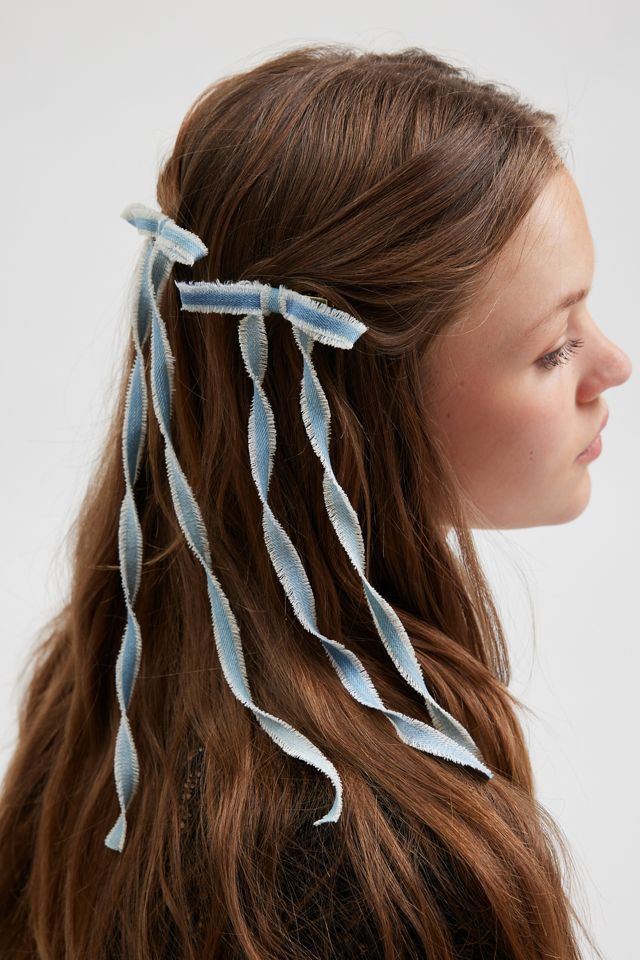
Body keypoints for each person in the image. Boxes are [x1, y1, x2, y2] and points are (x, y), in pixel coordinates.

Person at [0, 43, 631, 959]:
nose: (614, 365)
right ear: (359, 409)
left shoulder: (107, 689)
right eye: (553, 348)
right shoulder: (375, 868)